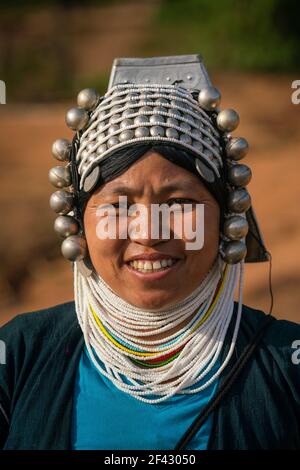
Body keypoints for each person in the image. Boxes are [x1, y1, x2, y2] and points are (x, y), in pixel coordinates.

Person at [0, 55, 299, 450]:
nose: (149, 233)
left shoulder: (286, 364)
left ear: (226, 218)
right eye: (119, 206)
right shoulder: (19, 354)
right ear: (79, 224)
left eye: (178, 204)